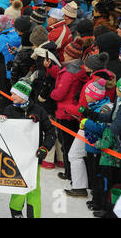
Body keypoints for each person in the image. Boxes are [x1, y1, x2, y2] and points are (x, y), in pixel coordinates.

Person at [0, 80, 56, 218]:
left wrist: (45, 148)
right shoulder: (8, 110)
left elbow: (50, 132)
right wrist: (1, 120)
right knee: (18, 183)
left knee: (33, 186)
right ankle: (16, 210)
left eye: (14, 94)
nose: (11, 96)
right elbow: (2, 132)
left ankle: (34, 215)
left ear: (24, 96)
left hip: (34, 156)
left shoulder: (39, 111)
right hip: (16, 156)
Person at [82, 73, 121, 189]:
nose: (115, 88)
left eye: (117, 87)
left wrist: (101, 129)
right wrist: (94, 116)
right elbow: (111, 117)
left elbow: (115, 127)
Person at [46, 37, 89, 181]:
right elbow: (60, 74)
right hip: (73, 112)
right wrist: (50, 68)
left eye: (65, 52)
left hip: (65, 112)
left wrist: (51, 93)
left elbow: (59, 94)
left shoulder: (68, 73)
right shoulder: (77, 69)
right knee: (70, 143)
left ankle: (69, 173)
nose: (63, 54)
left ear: (70, 54)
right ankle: (71, 172)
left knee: (67, 144)